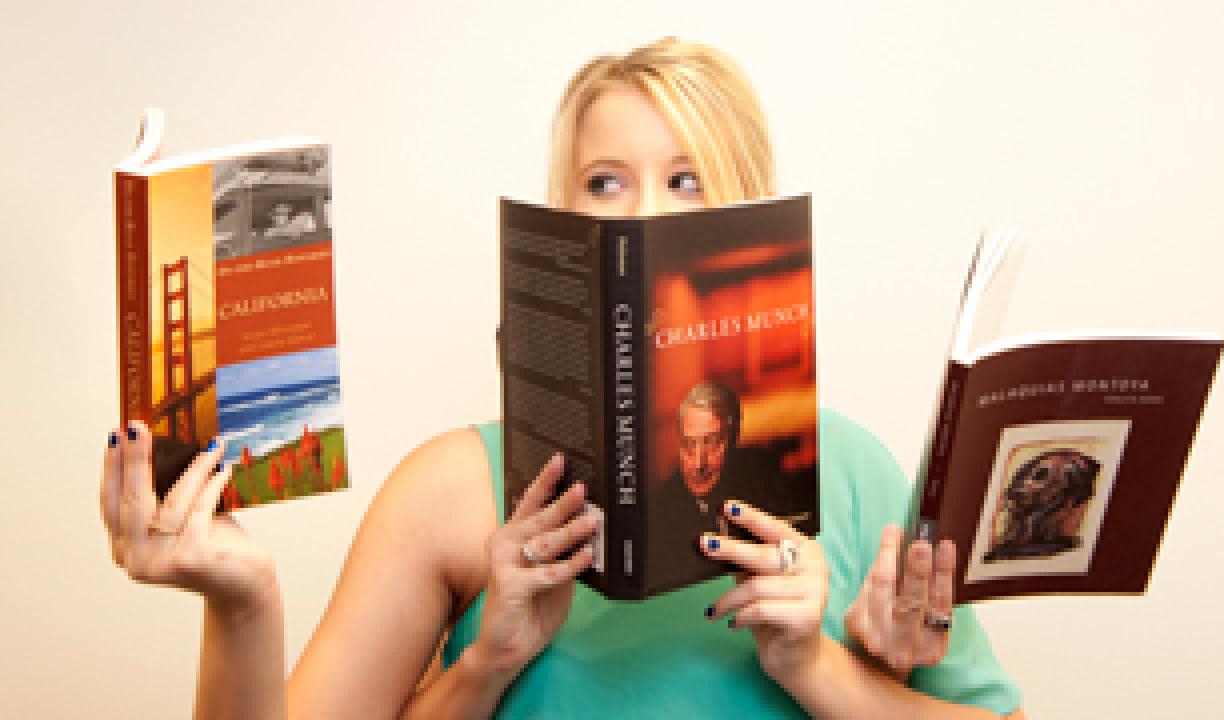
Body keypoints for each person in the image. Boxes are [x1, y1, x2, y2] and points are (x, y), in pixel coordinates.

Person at [101, 38, 1027, 719]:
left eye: (690, 179)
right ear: (563, 220)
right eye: (606, 181)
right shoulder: (450, 489)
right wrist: (253, 602)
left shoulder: (852, 472)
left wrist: (818, 670)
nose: (648, 210)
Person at [651, 381, 797, 589]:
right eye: (688, 445)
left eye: (711, 443)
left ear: (734, 438)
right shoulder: (660, 512)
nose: (699, 463)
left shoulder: (765, 478)